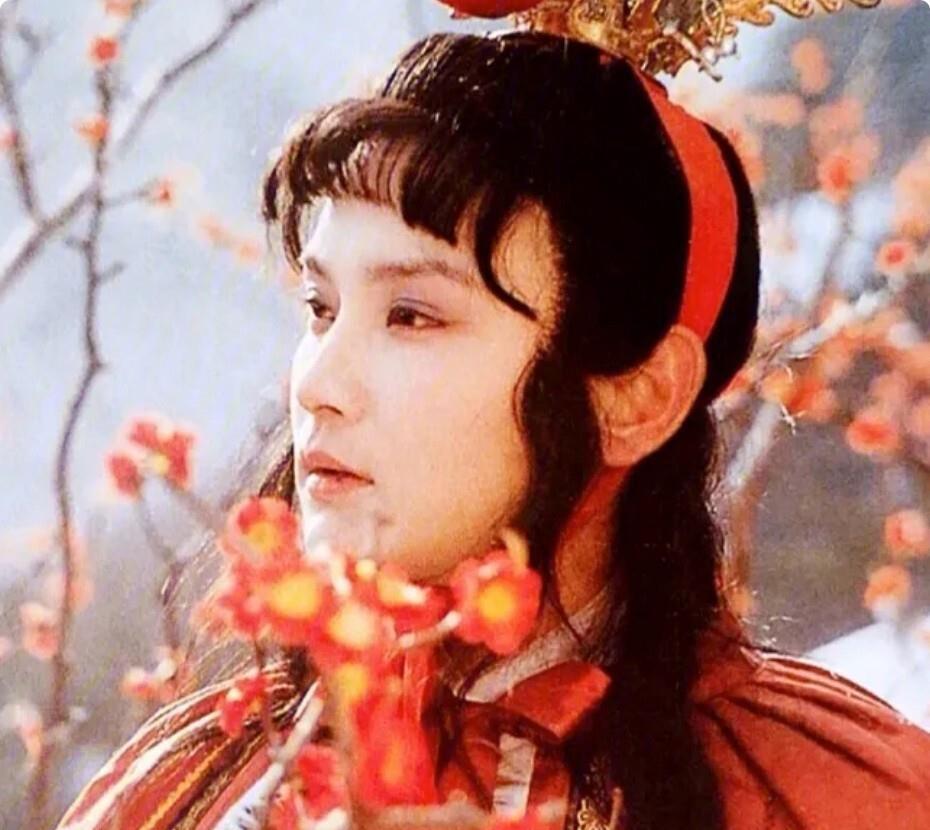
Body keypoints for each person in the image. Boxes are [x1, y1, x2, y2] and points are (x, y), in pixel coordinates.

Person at [55, 26, 930, 830]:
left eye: (412, 315)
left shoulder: (835, 800)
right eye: (320, 309)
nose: (316, 384)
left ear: (636, 397)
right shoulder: (187, 789)